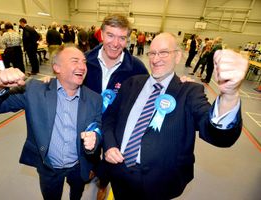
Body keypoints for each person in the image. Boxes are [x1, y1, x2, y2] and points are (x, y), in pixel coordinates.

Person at [102, 32, 248, 200]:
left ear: (178, 56)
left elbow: (217, 135)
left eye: (164, 52)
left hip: (160, 184)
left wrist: (229, 95)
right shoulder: (132, 83)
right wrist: (110, 145)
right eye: (152, 53)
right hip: (119, 173)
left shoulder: (189, 91)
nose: (156, 59)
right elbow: (109, 119)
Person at [0, 46, 103, 200]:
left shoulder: (94, 99)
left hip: (79, 166)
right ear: (57, 67)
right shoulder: (34, 90)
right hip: (48, 167)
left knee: (76, 193)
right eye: (74, 61)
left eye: (84, 62)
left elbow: (98, 127)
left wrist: (95, 140)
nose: (82, 66)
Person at [84, 13, 148, 200]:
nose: (115, 43)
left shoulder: (136, 67)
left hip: (117, 124)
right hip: (89, 121)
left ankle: (103, 181)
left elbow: (153, 89)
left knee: (111, 157)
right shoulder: (85, 60)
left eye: (122, 38)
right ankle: (94, 171)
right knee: (91, 151)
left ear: (127, 39)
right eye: (110, 35)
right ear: (101, 34)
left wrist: (179, 83)